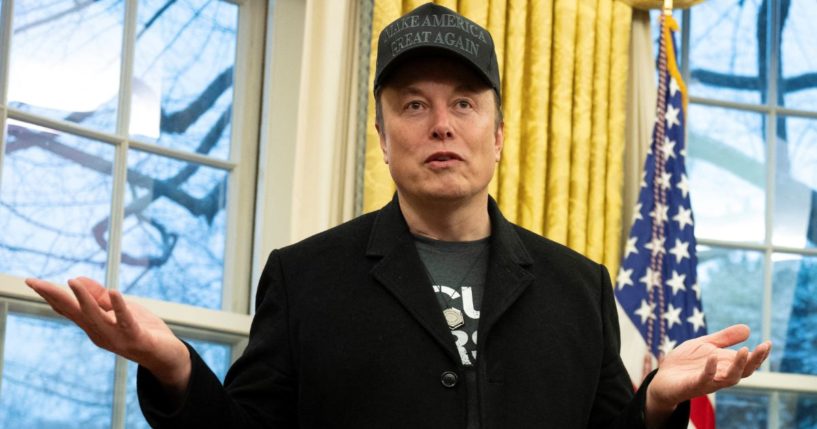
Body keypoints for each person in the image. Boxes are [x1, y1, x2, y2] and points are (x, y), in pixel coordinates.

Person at [26, 3, 770, 428]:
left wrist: (656, 403)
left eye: (464, 104)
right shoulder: (305, 277)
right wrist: (175, 367)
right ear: (381, 138)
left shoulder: (577, 285)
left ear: (498, 135)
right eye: (413, 105)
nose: (440, 124)